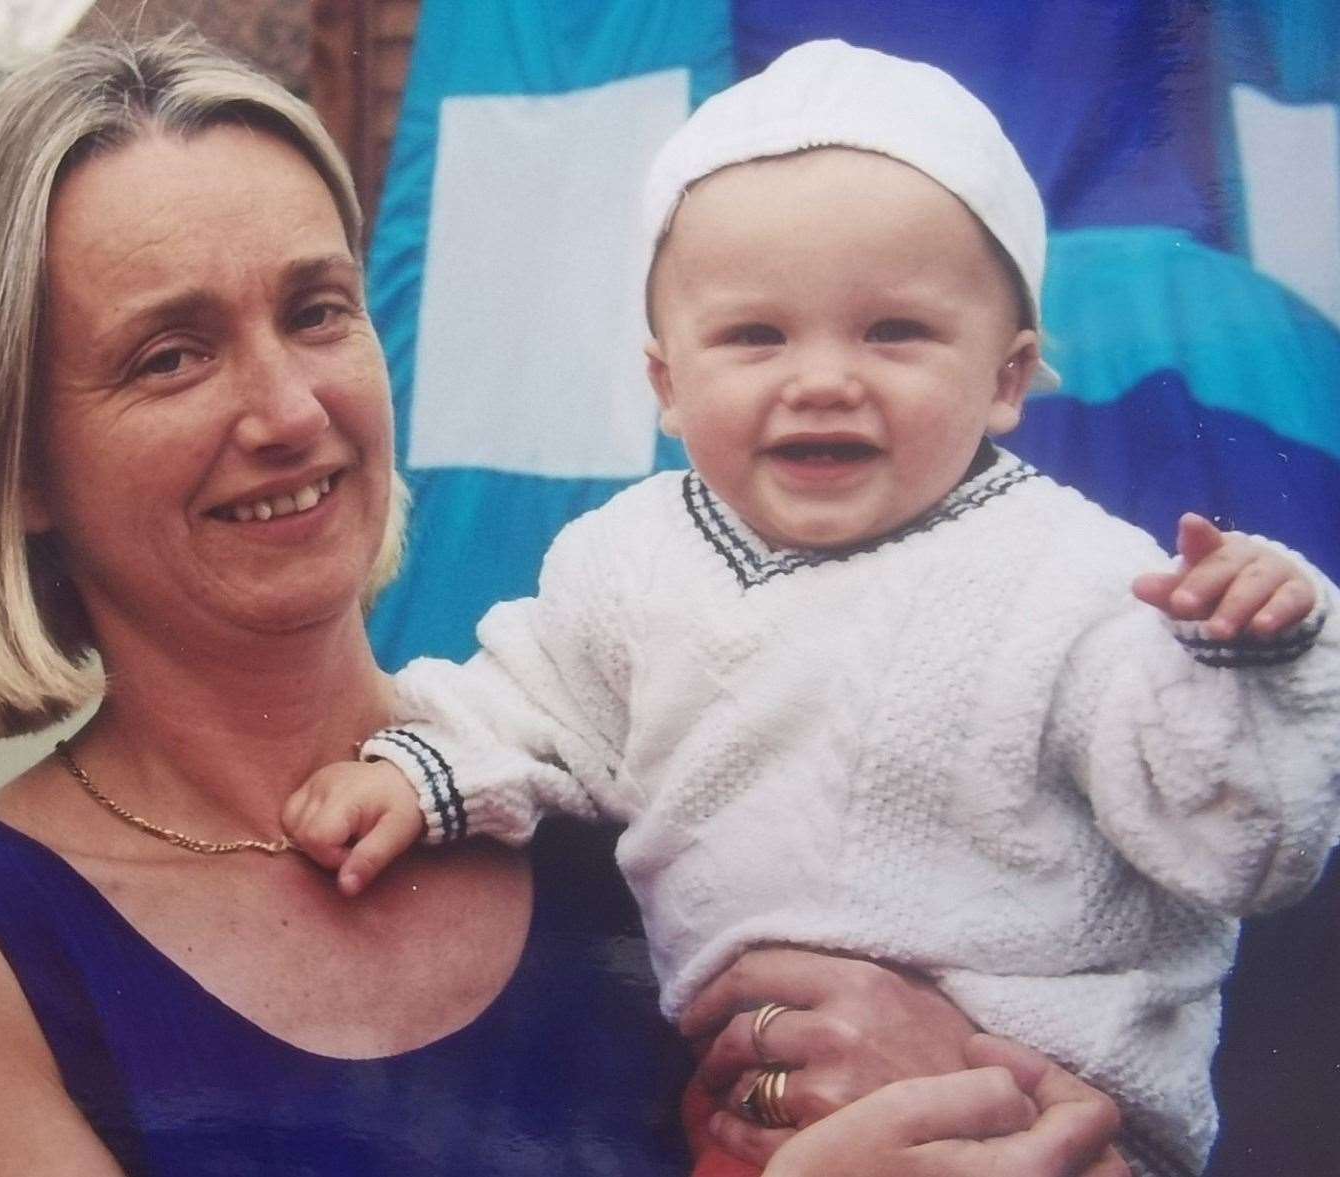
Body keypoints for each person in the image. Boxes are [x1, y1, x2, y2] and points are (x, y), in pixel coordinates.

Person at [0, 33, 1126, 1177]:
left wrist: (998, 1091)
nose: (288, 408)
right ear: (19, 459)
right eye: (172, 354)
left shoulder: (628, 759)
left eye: (319, 312)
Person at [284, 39, 1340, 1177]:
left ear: (1004, 373)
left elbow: (1238, 842)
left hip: (1042, 1108)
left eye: (894, 332)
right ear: (667, 385)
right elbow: (529, 700)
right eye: (755, 335)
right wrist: (412, 770)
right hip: (755, 1103)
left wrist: (1250, 658)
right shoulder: (632, 561)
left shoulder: (1075, 581)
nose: (823, 377)